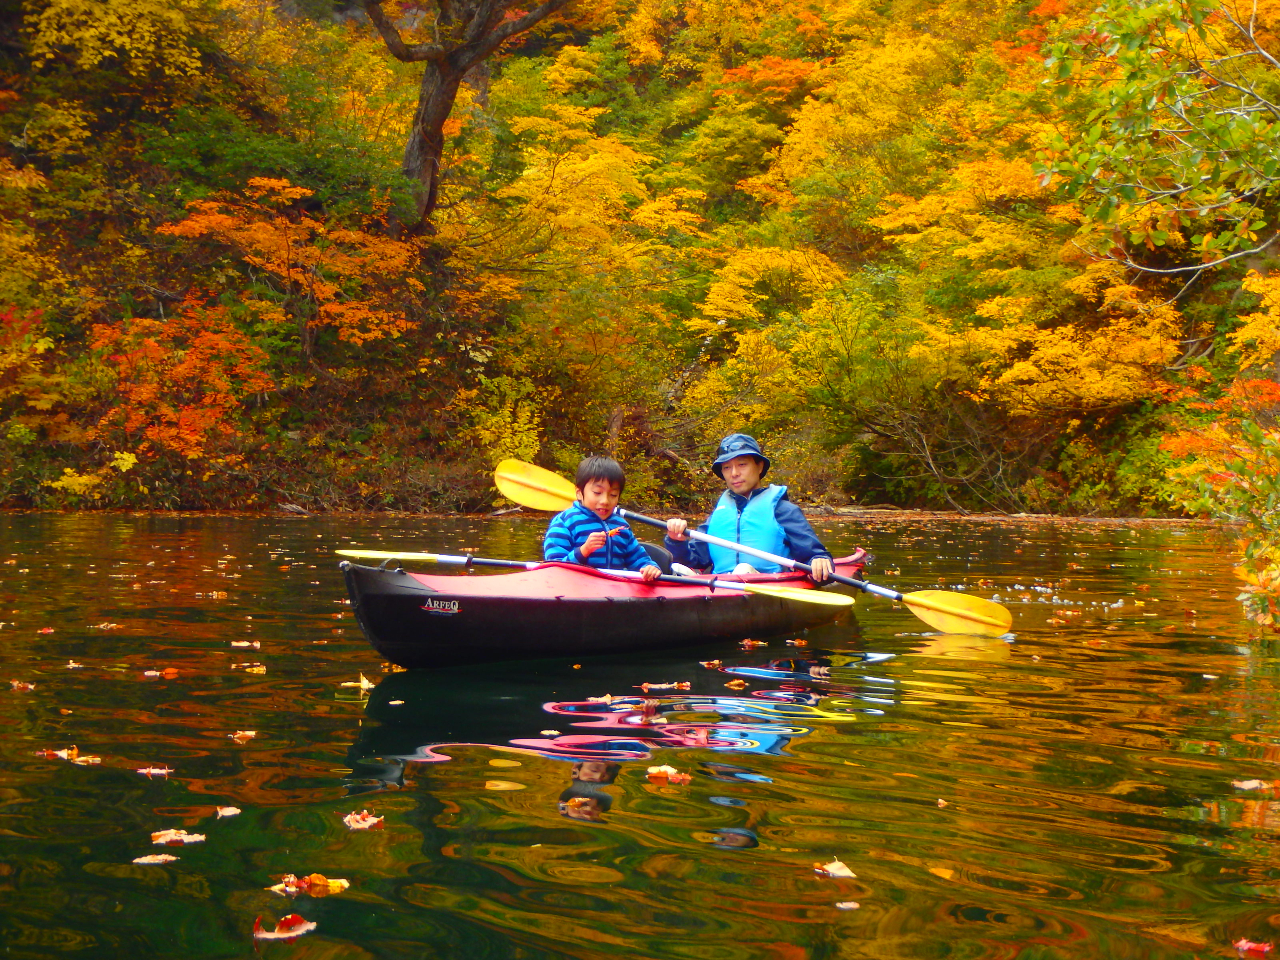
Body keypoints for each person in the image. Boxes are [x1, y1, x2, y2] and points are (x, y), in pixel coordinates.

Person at [664, 433, 835, 582]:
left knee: (743, 569)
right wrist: (676, 541)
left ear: (759, 466)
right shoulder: (719, 514)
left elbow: (813, 555)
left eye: (742, 465)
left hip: (766, 585)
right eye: (726, 467)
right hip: (719, 585)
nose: (734, 473)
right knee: (676, 567)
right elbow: (695, 561)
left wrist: (818, 560)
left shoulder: (783, 510)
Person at [544, 456, 661, 581]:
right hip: (575, 589)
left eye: (613, 495)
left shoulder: (621, 526)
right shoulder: (564, 522)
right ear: (579, 492)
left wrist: (650, 568)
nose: (605, 501)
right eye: (597, 492)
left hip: (614, 590)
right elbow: (554, 567)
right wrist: (584, 550)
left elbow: (639, 559)